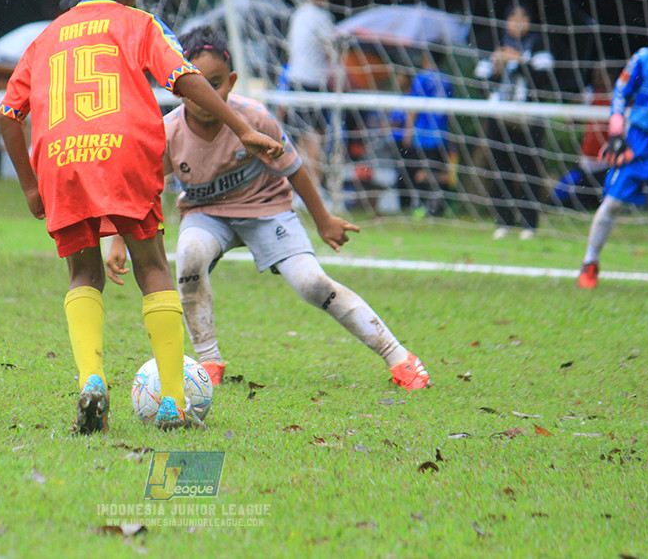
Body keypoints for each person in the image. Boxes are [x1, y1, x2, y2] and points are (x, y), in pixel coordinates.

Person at [0, 0, 284, 434]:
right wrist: (242, 128)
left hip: (61, 159)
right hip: (125, 150)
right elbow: (187, 81)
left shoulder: (44, 39)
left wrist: (28, 183)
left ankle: (91, 380)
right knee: (151, 266)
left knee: (84, 275)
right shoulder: (141, 25)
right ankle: (173, 400)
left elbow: (7, 115)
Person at [105, 26, 430, 391]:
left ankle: (399, 357)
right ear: (177, 87)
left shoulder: (255, 118)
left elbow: (294, 168)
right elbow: (141, 186)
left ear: (231, 80)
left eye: (216, 83)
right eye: (196, 87)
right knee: (190, 255)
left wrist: (323, 220)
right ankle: (209, 362)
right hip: (206, 214)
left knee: (312, 283)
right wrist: (118, 239)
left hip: (267, 212)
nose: (206, 95)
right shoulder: (168, 132)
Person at [577, 0, 648, 290]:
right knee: (612, 203)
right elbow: (621, 94)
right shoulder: (645, 60)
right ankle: (590, 262)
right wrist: (616, 132)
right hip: (636, 144)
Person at [474, 2, 555, 240]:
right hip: (499, 115)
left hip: (529, 116)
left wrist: (519, 61)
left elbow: (544, 79)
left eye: (524, 16)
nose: (518, 21)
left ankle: (530, 223)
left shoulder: (539, 44)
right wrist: (497, 69)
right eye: (513, 16)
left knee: (529, 168)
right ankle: (504, 221)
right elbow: (480, 85)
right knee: (501, 168)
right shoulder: (493, 43)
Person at [283, 0, 340, 195]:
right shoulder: (321, 16)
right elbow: (330, 50)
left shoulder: (299, 14)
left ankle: (298, 189)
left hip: (294, 81)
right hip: (312, 83)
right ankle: (314, 188)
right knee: (315, 136)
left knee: (300, 137)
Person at [388, 49, 456, 217]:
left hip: (424, 135)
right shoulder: (447, 80)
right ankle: (434, 207)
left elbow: (414, 107)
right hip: (441, 134)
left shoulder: (422, 78)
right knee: (434, 172)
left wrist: (408, 131)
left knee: (420, 174)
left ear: (426, 57)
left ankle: (423, 207)